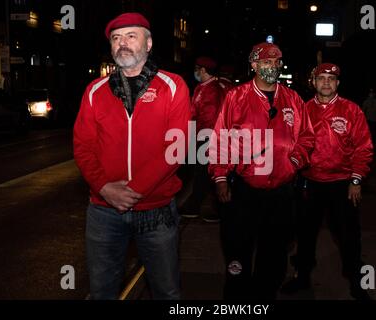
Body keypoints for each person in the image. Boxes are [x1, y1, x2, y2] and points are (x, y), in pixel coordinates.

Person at [73, 12, 191, 300]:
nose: (122, 43)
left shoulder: (173, 86)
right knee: (102, 291)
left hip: (156, 210)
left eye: (130, 36)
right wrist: (104, 188)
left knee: (167, 290)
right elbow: (83, 145)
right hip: (103, 210)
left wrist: (133, 191)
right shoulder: (94, 91)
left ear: (148, 44)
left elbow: (176, 147)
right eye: (116, 38)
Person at [208, 42, 315, 299]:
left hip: (281, 192)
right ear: (254, 65)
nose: (273, 66)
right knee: (238, 250)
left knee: (275, 251)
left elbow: (308, 137)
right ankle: (235, 299)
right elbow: (221, 138)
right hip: (245, 190)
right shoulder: (236, 97)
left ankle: (264, 296)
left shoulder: (293, 99)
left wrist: (294, 162)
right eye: (267, 62)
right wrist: (221, 176)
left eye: (277, 62)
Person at [280, 63, 374, 300]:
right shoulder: (303, 110)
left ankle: (356, 281)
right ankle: (302, 277)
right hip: (309, 183)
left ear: (338, 83)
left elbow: (363, 148)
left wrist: (356, 180)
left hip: (342, 184)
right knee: (305, 234)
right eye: (321, 78)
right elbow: (291, 144)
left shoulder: (351, 110)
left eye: (330, 79)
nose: (325, 83)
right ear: (314, 82)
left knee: (349, 235)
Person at [179, 56, 227, 222]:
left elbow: (210, 118)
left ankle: (197, 206)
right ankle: (210, 207)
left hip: (208, 137)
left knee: (204, 173)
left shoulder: (212, 90)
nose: (195, 72)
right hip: (202, 136)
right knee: (203, 172)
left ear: (203, 70)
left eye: (197, 69)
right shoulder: (203, 87)